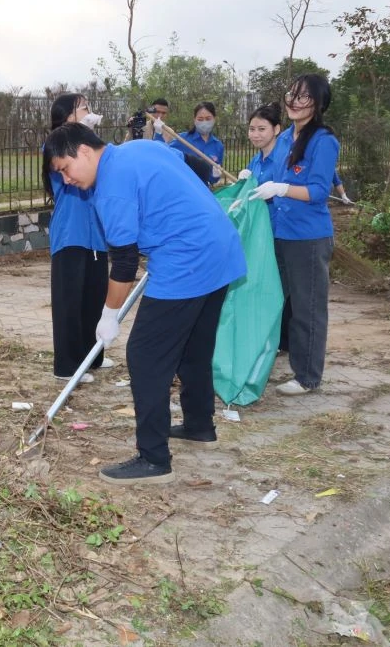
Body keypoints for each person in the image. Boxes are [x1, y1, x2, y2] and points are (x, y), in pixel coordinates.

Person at [42, 123, 246, 485]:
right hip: (220, 246)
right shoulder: (139, 148)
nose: (66, 180)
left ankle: (153, 458)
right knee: (193, 347)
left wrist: (108, 316)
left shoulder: (110, 189)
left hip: (185, 260)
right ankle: (199, 425)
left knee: (145, 356)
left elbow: (124, 262)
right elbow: (190, 165)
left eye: (65, 169)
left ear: (84, 151)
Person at [248, 74, 340, 396]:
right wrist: (252, 180)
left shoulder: (323, 140)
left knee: (307, 308)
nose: (294, 102)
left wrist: (283, 189)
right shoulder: (286, 136)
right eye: (292, 95)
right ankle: (261, 361)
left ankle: (307, 377)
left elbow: (318, 191)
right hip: (279, 233)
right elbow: (270, 175)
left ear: (318, 103)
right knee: (272, 301)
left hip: (308, 238)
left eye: (303, 97)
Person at [42, 94, 108, 384]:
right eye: (83, 108)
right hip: (71, 233)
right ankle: (66, 366)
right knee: (69, 301)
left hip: (97, 235)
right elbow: (65, 183)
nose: (89, 112)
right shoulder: (55, 149)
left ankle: (92, 358)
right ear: (67, 115)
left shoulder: (90, 147)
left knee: (94, 298)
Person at [167, 102, 226, 185]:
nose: (204, 122)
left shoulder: (218, 146)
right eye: (200, 119)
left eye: (208, 119)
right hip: (183, 186)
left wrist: (215, 176)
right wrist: (159, 135)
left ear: (214, 119)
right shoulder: (182, 139)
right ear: (194, 120)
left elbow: (213, 180)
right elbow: (164, 153)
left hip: (203, 190)